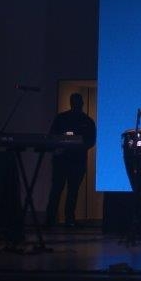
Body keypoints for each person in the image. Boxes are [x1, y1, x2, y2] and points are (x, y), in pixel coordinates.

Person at [44, 93, 97, 228]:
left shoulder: (83, 121)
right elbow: (52, 136)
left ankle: (61, 219)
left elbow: (90, 141)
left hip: (73, 161)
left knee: (66, 191)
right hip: (66, 160)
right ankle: (60, 220)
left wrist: (73, 146)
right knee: (61, 190)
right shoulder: (84, 120)